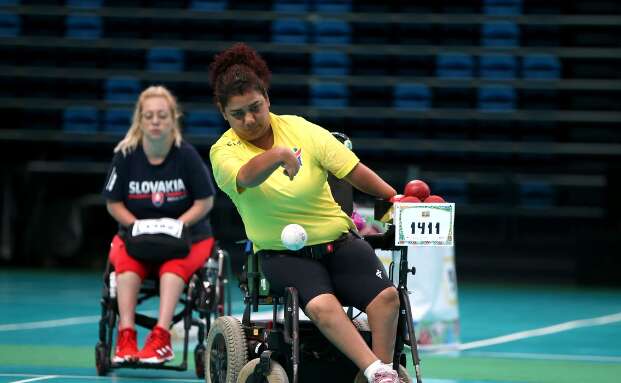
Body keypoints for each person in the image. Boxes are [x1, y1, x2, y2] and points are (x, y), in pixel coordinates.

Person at [208, 43, 402, 383]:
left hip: (338, 242)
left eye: (255, 107)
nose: (250, 119)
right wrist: (278, 155)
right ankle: (378, 373)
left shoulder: (301, 129)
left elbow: (351, 169)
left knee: (387, 298)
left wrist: (393, 196)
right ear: (224, 113)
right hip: (283, 255)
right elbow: (246, 177)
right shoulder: (224, 151)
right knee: (322, 306)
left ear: (267, 98)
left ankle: (375, 372)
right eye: (238, 114)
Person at [102, 85, 215, 364]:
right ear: (140, 119)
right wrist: (138, 226)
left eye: (162, 116)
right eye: (149, 116)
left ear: (173, 118)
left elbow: (205, 201)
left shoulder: (186, 155)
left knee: (172, 269)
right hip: (137, 236)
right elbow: (113, 202)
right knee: (126, 266)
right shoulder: (126, 155)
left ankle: (161, 338)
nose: (155, 122)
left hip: (188, 237)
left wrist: (176, 225)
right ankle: (126, 336)